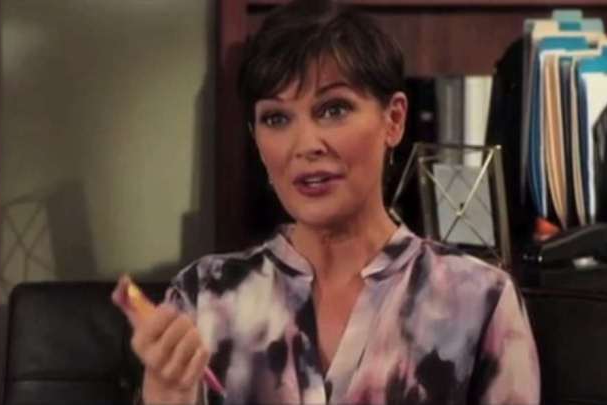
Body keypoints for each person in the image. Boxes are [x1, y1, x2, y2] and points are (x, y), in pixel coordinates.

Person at [113, 1, 541, 404]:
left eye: (333, 110)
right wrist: (165, 397)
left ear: (393, 119)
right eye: (276, 118)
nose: (305, 145)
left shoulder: (480, 301)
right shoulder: (203, 297)